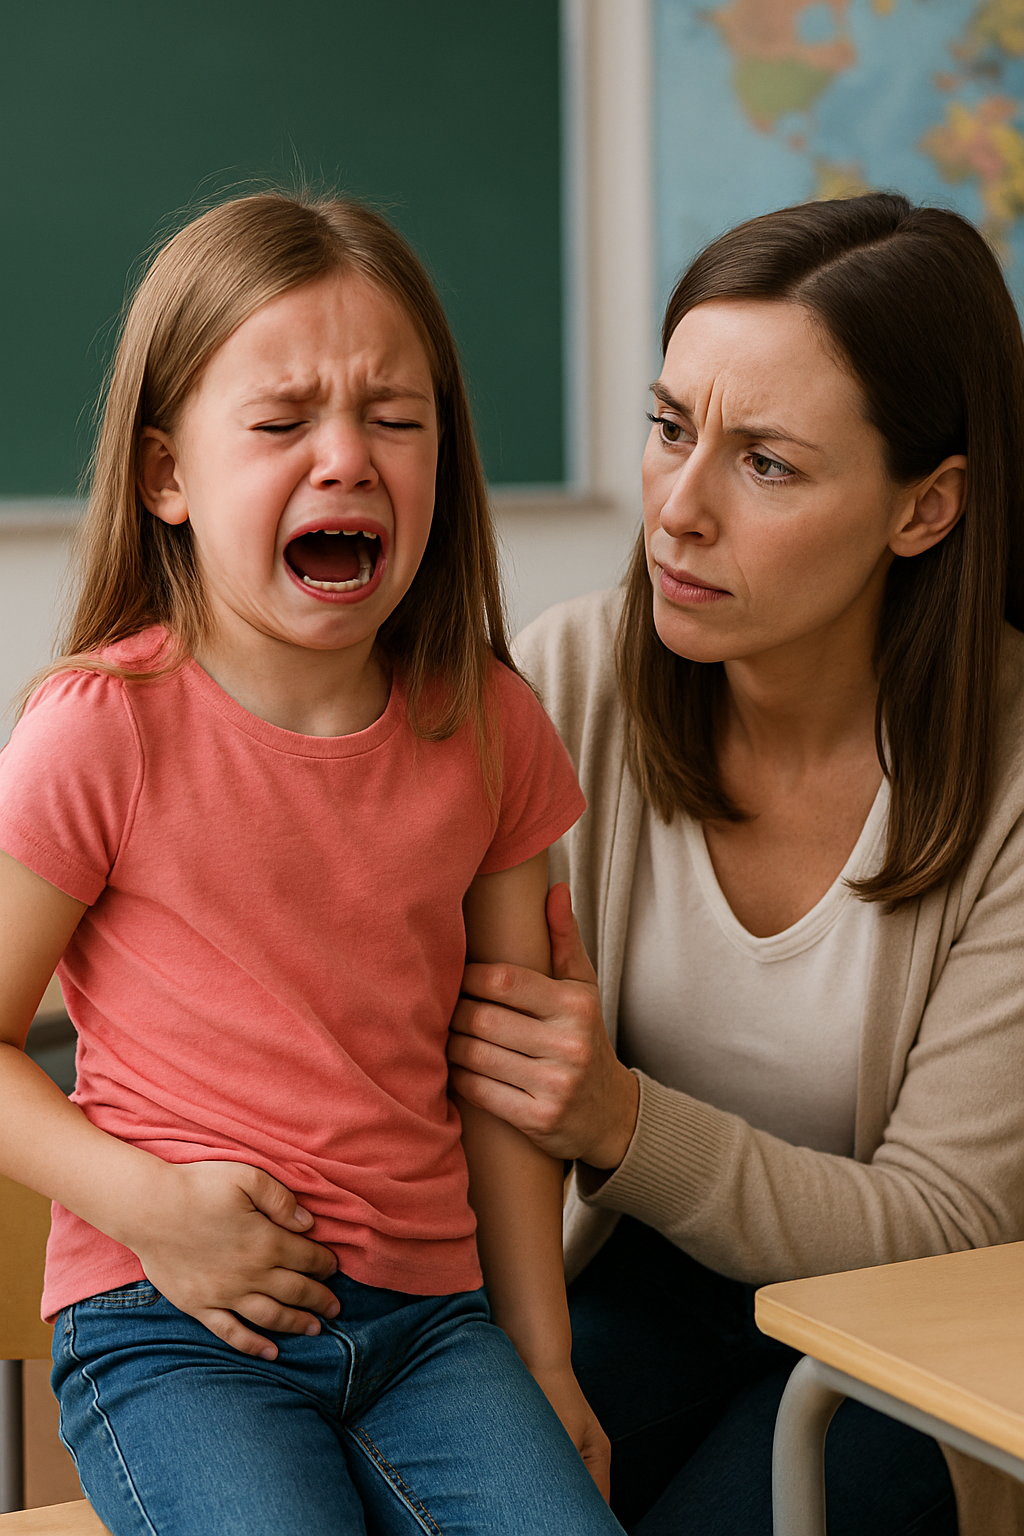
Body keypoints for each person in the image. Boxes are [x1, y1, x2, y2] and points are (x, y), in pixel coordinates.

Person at [0, 193, 625, 1536]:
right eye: (282, 424)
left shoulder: (494, 723)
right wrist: (153, 1209)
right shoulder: (99, 730)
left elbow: (507, 1078)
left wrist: (548, 1358)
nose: (346, 458)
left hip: (434, 1330)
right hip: (170, 1329)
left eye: (394, 420)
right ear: (167, 475)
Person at [448, 193, 1024, 1536]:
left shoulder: (1009, 763)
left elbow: (949, 1229)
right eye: (670, 429)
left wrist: (619, 1123)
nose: (679, 511)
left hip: (908, 1338)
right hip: (632, 1276)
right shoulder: (569, 675)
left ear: (925, 508)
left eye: (766, 462)